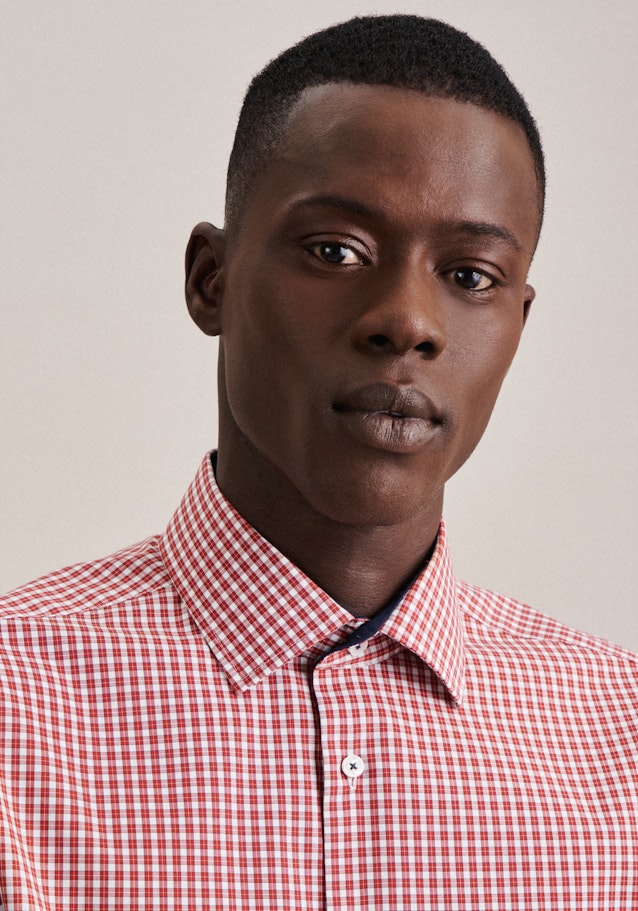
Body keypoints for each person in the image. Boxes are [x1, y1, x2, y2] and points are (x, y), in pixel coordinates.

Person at [0, 14, 635, 910]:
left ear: (518, 326)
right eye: (336, 250)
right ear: (211, 280)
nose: (408, 322)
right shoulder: (15, 708)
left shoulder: (621, 742)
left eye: (470, 276)